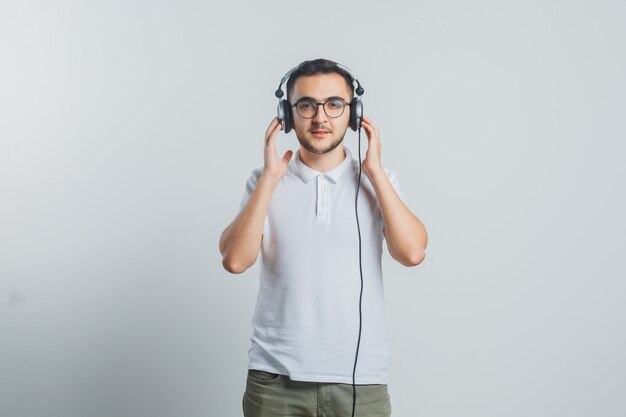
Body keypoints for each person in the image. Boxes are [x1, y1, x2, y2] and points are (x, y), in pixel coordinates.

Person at [219, 58, 428, 417]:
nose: (320, 118)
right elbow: (235, 261)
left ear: (354, 112)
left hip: (360, 381)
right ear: (287, 115)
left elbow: (412, 253)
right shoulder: (263, 181)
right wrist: (270, 178)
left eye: (334, 105)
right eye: (306, 105)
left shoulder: (380, 182)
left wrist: (374, 172)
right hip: (275, 381)